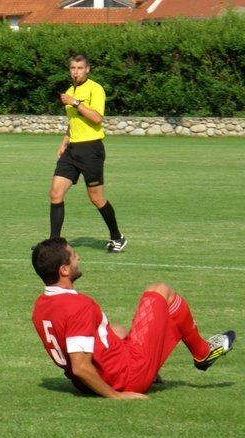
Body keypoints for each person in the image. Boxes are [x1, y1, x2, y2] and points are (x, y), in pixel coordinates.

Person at [31, 237, 235, 399]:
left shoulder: (40, 306)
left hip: (87, 384)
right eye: (74, 256)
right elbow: (80, 366)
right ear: (64, 270)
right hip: (125, 377)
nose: (79, 259)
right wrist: (116, 395)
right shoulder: (79, 305)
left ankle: (152, 371)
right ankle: (203, 353)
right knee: (159, 290)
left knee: (117, 330)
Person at [49, 54, 126, 253]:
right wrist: (63, 143)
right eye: (73, 68)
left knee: (96, 198)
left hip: (91, 149)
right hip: (72, 150)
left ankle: (117, 237)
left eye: (80, 68)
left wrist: (76, 103)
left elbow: (97, 118)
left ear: (87, 69)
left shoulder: (95, 89)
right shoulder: (69, 91)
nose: (76, 72)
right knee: (55, 193)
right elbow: (73, 123)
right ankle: (54, 244)